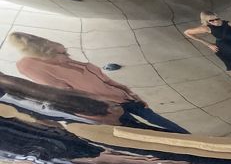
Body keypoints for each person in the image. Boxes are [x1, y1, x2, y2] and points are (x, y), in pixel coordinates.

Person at [6, 32, 187, 132]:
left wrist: (129, 92)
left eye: (64, 52)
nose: (66, 55)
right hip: (106, 106)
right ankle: (186, 145)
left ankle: (188, 140)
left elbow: (105, 79)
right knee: (142, 130)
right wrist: (101, 106)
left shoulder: (77, 64)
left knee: (155, 122)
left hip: (120, 99)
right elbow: (64, 91)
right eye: (62, 54)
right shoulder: (30, 64)